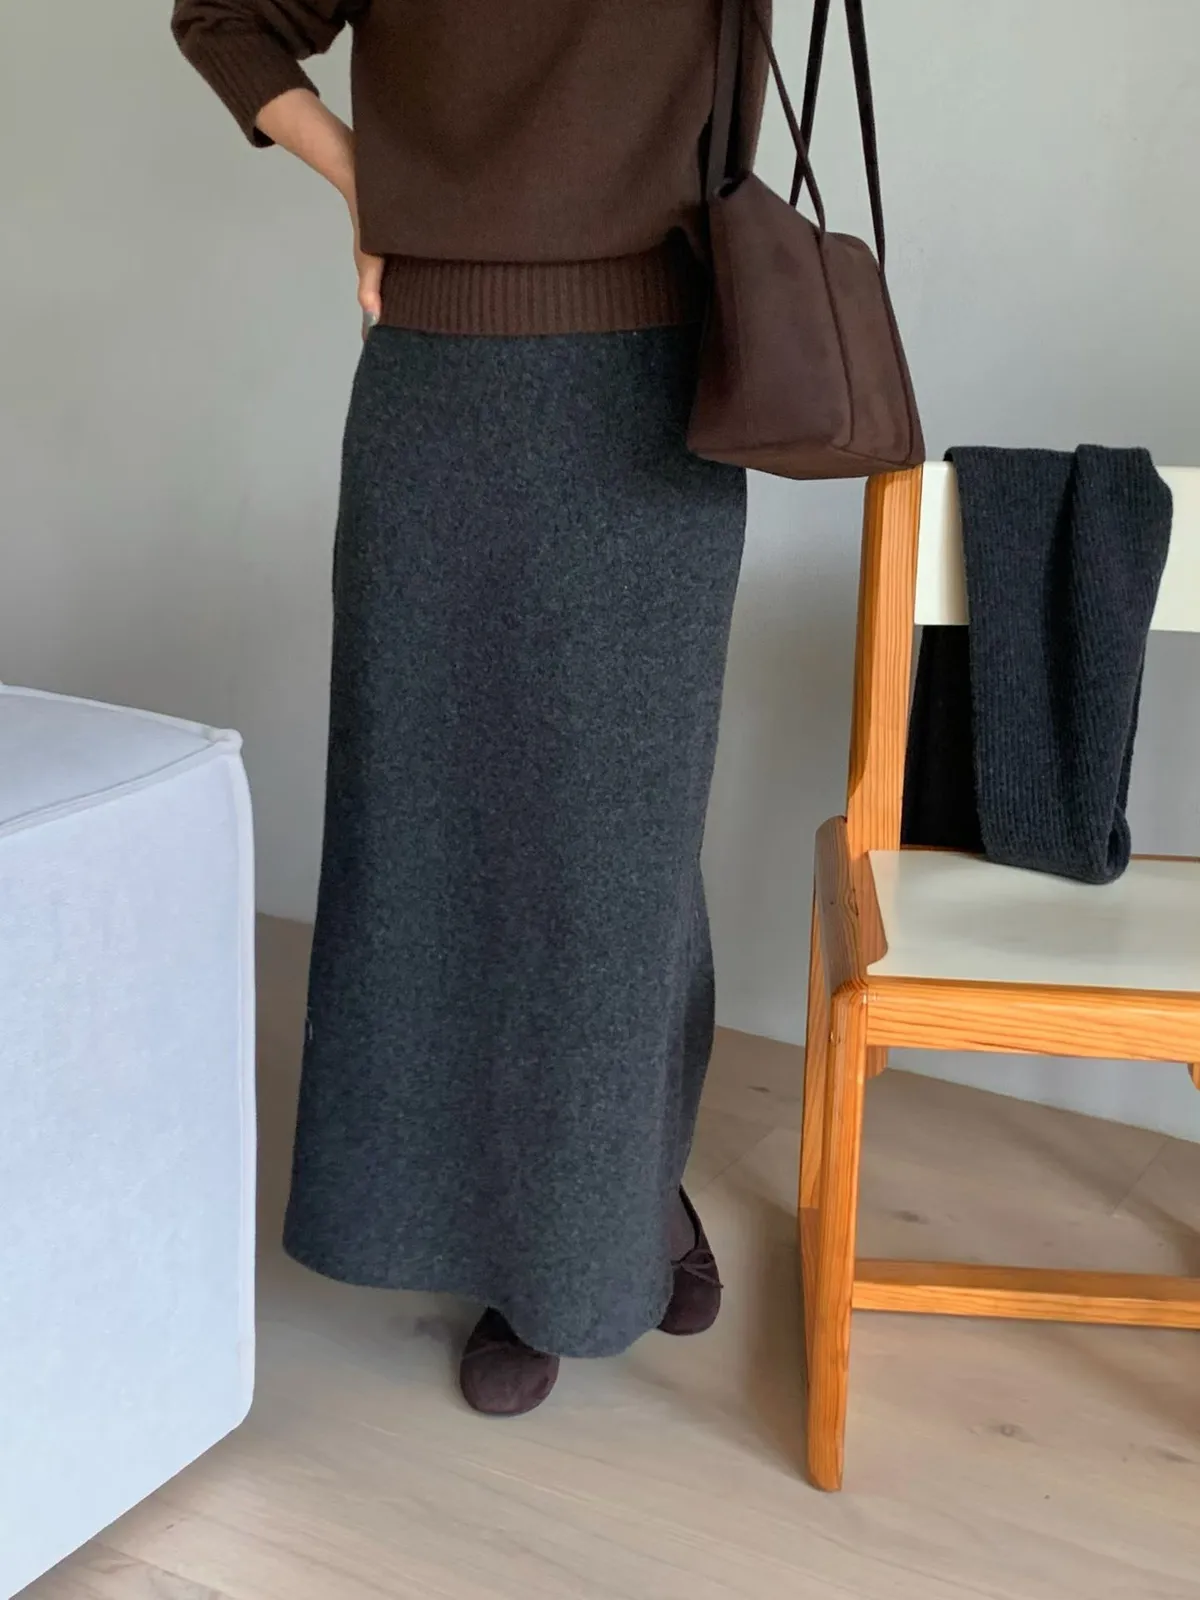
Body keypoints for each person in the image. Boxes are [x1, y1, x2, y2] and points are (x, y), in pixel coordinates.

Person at [171, 0, 769, 1417]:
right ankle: (521, 1227)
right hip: (440, 390)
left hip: (655, 390)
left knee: (619, 848)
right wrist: (361, 175)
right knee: (439, 827)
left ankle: (599, 1225)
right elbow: (224, 19)